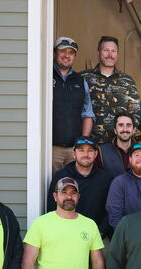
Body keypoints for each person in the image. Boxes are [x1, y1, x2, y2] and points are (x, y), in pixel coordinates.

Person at [47, 136, 113, 238]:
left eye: (90, 151)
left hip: (96, 235)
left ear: (96, 154)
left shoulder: (105, 178)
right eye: (81, 150)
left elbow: (109, 210)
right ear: (74, 154)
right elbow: (52, 207)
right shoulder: (61, 176)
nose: (85, 155)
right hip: (65, 234)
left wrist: (100, 233)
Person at [81, 35, 140, 143]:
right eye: (106, 50)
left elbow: (135, 114)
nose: (110, 55)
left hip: (119, 145)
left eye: (113, 51)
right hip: (91, 145)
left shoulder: (127, 81)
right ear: (98, 53)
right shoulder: (84, 78)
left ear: (117, 54)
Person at [52, 37, 94, 173]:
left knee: (73, 186)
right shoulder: (45, 75)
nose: (67, 55)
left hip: (73, 149)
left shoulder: (81, 81)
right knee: (52, 185)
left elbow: (87, 113)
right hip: (52, 147)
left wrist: (83, 142)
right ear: (54, 53)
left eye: (71, 52)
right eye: (63, 51)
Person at [98, 113, 135, 180]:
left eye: (128, 125)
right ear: (115, 130)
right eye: (121, 125)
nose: (125, 129)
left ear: (133, 130)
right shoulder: (101, 152)